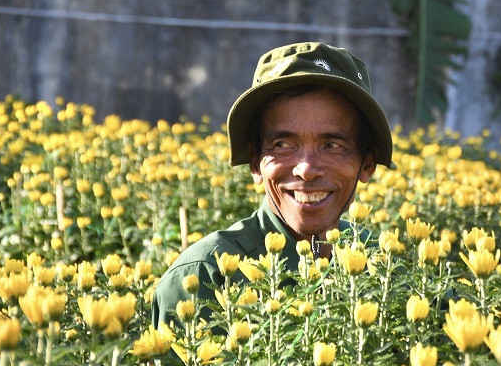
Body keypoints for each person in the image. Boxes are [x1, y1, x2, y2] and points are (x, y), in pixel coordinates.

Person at [152, 41, 395, 329]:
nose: (306, 169)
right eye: (282, 144)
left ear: (366, 164)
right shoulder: (205, 277)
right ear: (256, 163)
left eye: (332, 145)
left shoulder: (389, 270)